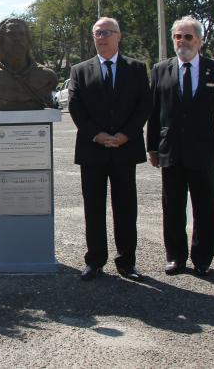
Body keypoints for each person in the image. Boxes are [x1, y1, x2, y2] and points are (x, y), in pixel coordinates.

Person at [69, 17, 151, 281]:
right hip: (93, 150)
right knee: (93, 208)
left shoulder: (137, 69)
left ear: (119, 36)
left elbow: (144, 105)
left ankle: (127, 262)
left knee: (126, 208)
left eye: (107, 32)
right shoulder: (80, 70)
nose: (101, 37)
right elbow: (76, 106)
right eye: (97, 33)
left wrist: (126, 134)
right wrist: (98, 135)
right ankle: (95, 260)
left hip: (125, 149)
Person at [147, 16, 214, 277]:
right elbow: (154, 111)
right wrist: (152, 148)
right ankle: (176, 257)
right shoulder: (161, 69)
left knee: (205, 207)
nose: (182, 41)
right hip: (170, 150)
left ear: (200, 40)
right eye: (177, 37)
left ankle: (202, 258)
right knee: (172, 208)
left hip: (203, 150)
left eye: (188, 36)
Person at [0, 17, 58, 110]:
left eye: (21, 34)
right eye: (11, 34)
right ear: (1, 40)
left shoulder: (47, 76)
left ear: (28, 40)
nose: (17, 38)